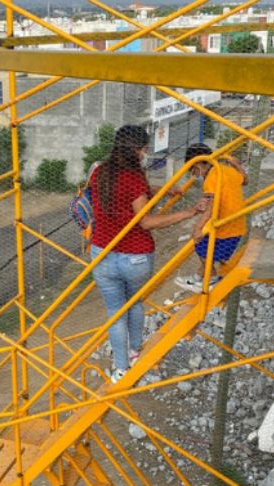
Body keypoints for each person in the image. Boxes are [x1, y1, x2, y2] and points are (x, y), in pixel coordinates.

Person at [89, 125, 202, 384]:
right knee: (135, 303)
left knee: (116, 313)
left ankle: (120, 369)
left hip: (102, 253)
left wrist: (159, 190)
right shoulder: (134, 178)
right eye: (143, 149)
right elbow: (146, 221)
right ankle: (135, 351)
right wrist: (187, 213)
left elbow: (123, 194)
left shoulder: (100, 172)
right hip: (134, 257)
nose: (144, 154)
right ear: (137, 149)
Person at [174, 143, 248, 293]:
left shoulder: (212, 177)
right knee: (207, 249)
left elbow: (212, 206)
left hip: (224, 228)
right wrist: (236, 165)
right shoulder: (227, 170)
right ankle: (197, 277)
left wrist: (198, 227)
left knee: (199, 243)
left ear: (199, 163)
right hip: (237, 225)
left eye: (194, 169)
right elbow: (245, 180)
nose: (196, 174)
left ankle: (211, 277)